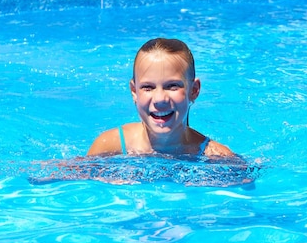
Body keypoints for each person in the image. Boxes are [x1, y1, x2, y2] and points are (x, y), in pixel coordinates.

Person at [87, 38, 235, 158]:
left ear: (194, 90)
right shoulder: (109, 146)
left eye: (172, 86)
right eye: (148, 87)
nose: (159, 99)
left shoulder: (216, 157)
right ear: (134, 91)